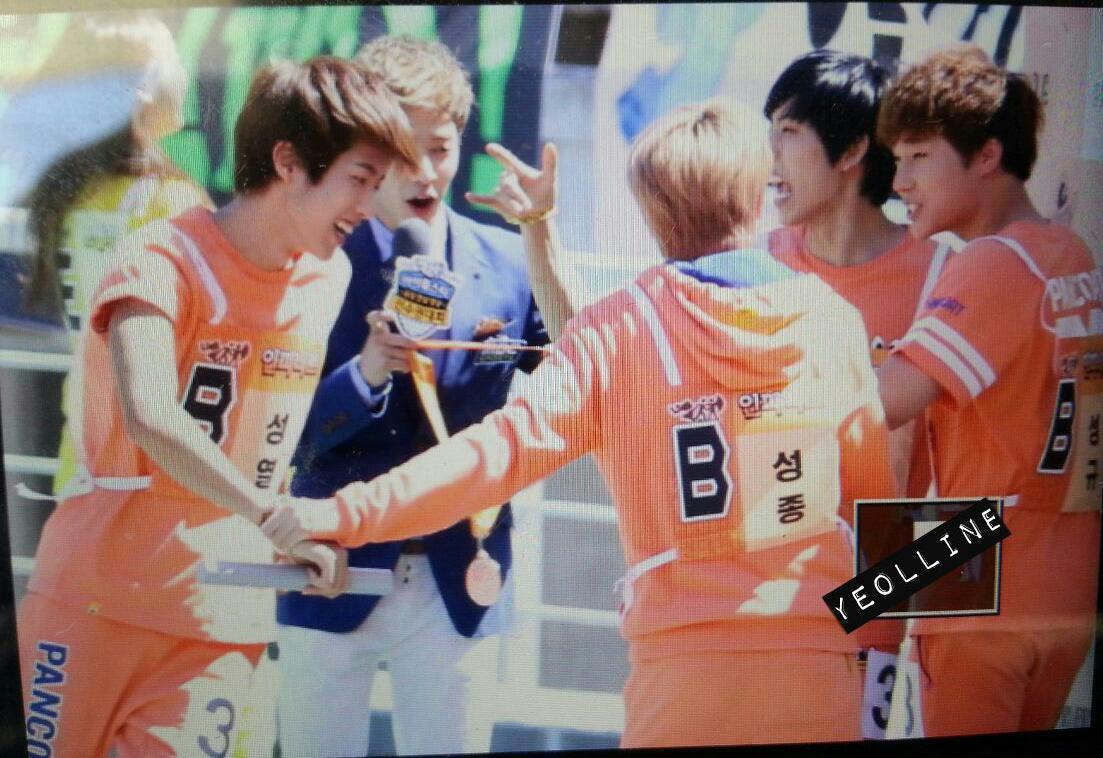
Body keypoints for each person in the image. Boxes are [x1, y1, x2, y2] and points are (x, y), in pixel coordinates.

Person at [263, 97, 897, 748]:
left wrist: (338, 514)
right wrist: (861, 646)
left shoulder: (621, 329)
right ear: (755, 197)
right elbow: (872, 513)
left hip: (680, 671)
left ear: (649, 211)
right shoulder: (831, 320)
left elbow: (493, 456)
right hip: (816, 667)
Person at [16, 56, 418, 757]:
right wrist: (270, 516)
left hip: (224, 617)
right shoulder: (160, 258)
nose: (368, 206)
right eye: (359, 179)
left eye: (377, 185)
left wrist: (304, 530)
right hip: (95, 601)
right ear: (288, 161)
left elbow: (274, 443)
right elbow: (151, 416)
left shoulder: (330, 277)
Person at [274, 36, 551, 757]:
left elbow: (582, 363)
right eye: (401, 153)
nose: (425, 172)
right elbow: (281, 434)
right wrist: (365, 372)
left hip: (459, 575)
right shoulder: (307, 261)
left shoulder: (508, 261)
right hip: (329, 567)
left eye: (440, 148)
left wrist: (541, 233)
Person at [874, 46, 1101, 735]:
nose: (900, 182)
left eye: (918, 156)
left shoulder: (990, 263)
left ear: (986, 155)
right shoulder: (1070, 253)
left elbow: (882, 404)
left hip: (979, 571)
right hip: (1064, 582)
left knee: (838, 617)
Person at [762, 49, 952, 737]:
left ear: (850, 152)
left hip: (885, 612)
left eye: (788, 135)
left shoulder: (944, 276)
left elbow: (961, 485)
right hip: (765, 601)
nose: (769, 162)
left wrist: (873, 615)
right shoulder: (761, 262)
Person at [20, 14, 212, 496]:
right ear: (141, 89)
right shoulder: (169, 201)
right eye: (172, 61)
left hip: (82, 461)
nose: (182, 75)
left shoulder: (67, 194)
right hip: (154, 471)